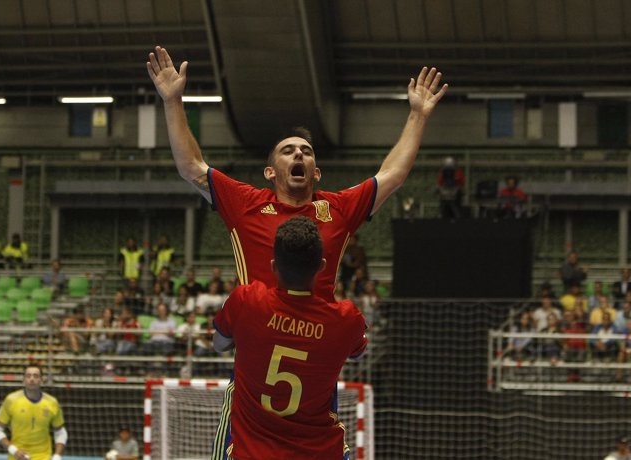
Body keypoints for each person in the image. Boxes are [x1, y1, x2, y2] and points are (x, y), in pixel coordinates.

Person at [147, 45, 446, 459]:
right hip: (256, 364)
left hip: (313, 363)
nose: (299, 154)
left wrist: (418, 114)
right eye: (288, 151)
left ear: (317, 172)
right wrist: (173, 101)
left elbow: (391, 175)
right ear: (271, 172)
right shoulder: (247, 204)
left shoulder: (336, 209)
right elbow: (191, 167)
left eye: (306, 151)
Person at [212, 217, 367, 459]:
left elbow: (219, 344)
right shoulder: (346, 319)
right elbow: (359, 353)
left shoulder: (247, 301)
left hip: (253, 453)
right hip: (319, 453)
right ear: (321, 265)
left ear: (274, 266)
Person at [0, 365, 67, 460]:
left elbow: (60, 432)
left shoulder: (52, 402)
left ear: (42, 379)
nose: (32, 379)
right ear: (24, 379)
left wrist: (57, 456)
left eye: (35, 376)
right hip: (17, 456)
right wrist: (14, 450)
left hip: (43, 456)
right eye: (28, 376)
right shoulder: (11, 400)